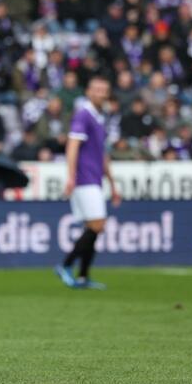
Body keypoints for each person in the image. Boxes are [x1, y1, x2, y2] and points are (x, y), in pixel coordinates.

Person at [55, 76, 121, 290]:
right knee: (97, 224)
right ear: (88, 92)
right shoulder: (83, 114)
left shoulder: (100, 118)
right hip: (84, 178)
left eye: (104, 89)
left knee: (93, 227)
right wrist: (71, 176)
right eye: (96, 89)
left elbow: (102, 154)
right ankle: (66, 265)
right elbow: (72, 145)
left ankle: (83, 276)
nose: (100, 93)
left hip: (95, 178)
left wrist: (112, 184)